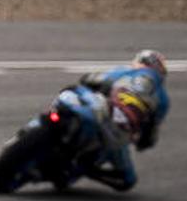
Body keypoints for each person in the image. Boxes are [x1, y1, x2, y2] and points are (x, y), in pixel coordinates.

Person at [73, 49, 170, 192]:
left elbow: (89, 79)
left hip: (100, 115)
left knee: (72, 93)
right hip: (117, 134)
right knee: (127, 179)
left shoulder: (124, 72)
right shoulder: (162, 100)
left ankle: (81, 166)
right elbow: (148, 137)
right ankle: (85, 169)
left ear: (140, 62)